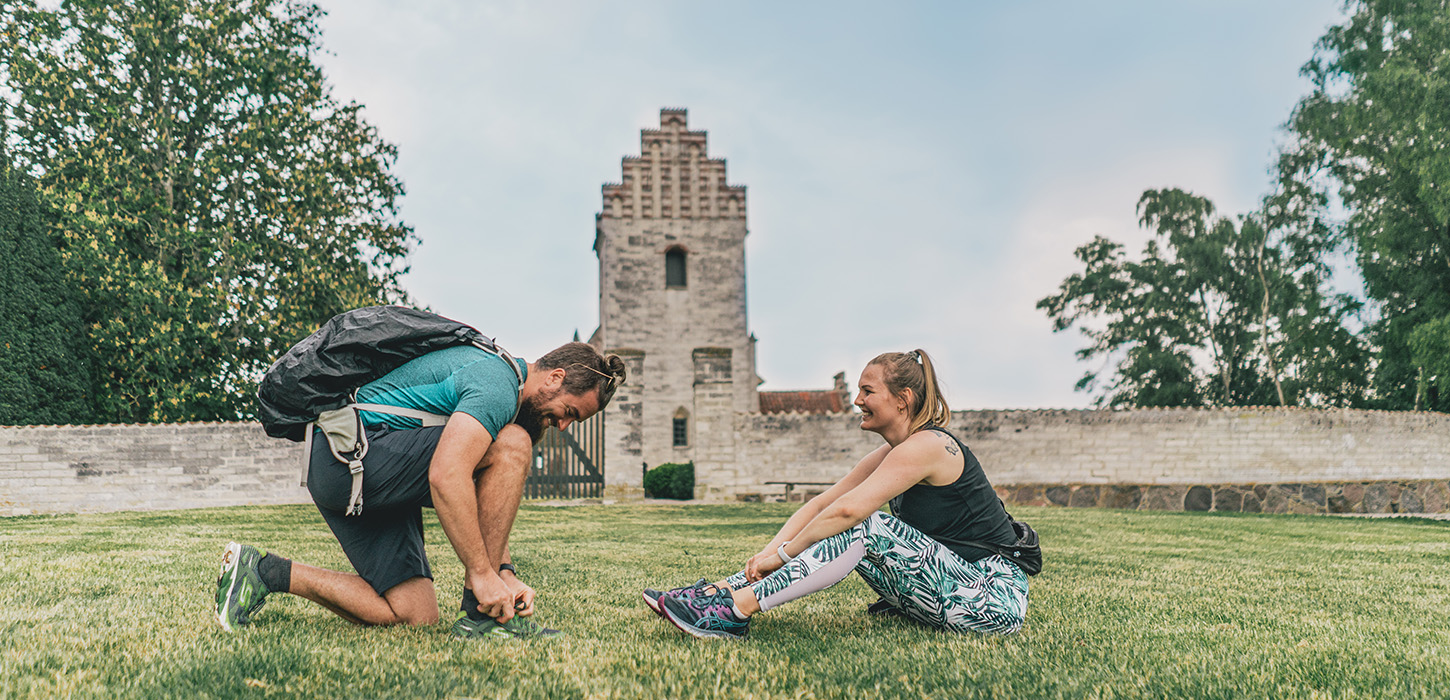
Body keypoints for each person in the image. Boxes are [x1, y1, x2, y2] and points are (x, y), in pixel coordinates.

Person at [216, 341, 626, 640]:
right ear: (555, 378)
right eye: (571, 412)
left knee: (415, 614)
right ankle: (480, 617)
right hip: (350, 459)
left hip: (354, 469)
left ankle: (262, 571)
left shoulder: (498, 379)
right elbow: (447, 476)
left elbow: (483, 492)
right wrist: (482, 576)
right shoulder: (497, 382)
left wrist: (505, 574)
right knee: (513, 442)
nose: (564, 425)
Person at [644, 349, 1027, 639]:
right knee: (842, 521)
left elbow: (847, 514)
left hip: (993, 599)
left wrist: (783, 555)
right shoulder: (893, 452)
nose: (857, 400)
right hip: (953, 583)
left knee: (864, 524)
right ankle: (720, 591)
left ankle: (734, 612)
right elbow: (822, 504)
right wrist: (766, 556)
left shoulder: (929, 445)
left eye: (867, 391)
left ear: (902, 398)